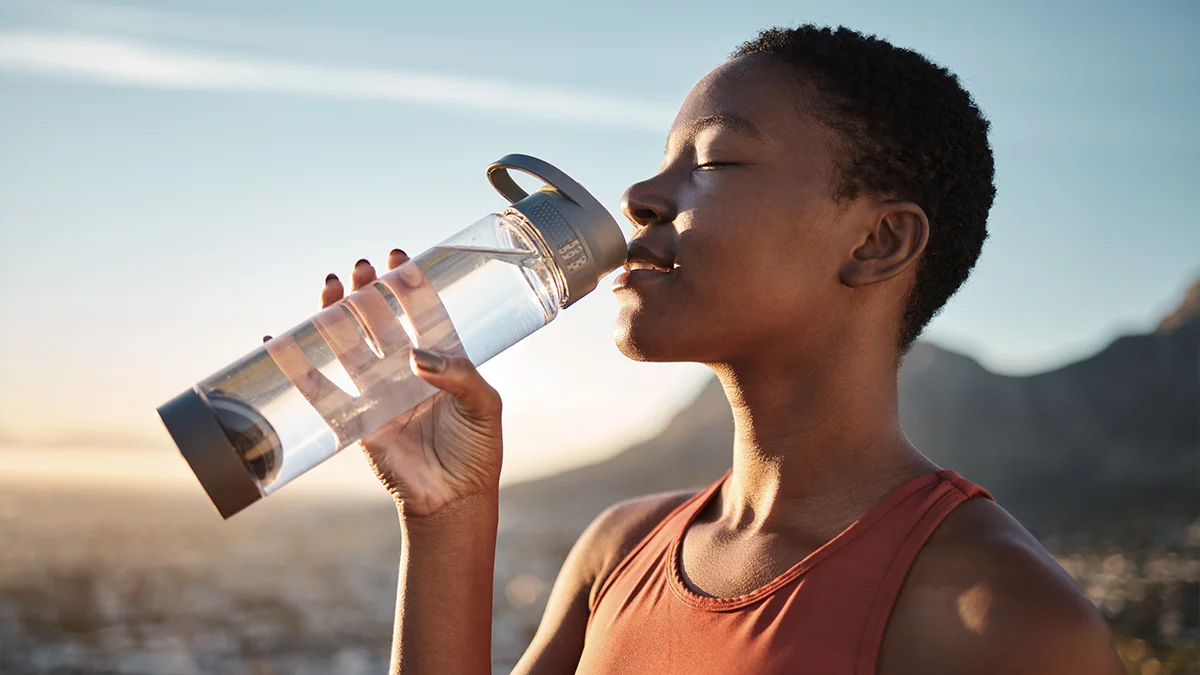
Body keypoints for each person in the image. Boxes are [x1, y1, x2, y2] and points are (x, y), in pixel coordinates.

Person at [314, 24, 1123, 675]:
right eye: (663, 162)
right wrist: (445, 513)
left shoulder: (1002, 619)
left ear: (878, 241)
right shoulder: (618, 550)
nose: (638, 197)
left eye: (715, 160)